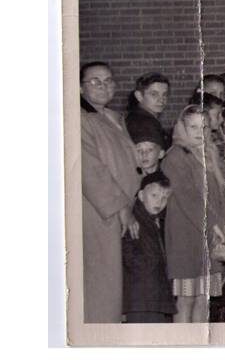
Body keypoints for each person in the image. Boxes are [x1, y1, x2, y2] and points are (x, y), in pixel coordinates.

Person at [80, 61, 141, 323]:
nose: (103, 86)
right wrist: (121, 207)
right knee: (102, 283)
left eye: (108, 80)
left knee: (113, 282)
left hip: (121, 209)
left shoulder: (111, 117)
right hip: (99, 212)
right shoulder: (79, 119)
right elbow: (90, 169)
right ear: (80, 88)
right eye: (95, 81)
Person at [162, 104, 225, 323]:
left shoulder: (207, 154)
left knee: (204, 298)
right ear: (181, 127)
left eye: (203, 127)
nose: (198, 132)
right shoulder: (175, 157)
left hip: (211, 234)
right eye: (192, 126)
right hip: (187, 234)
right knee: (186, 299)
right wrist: (215, 226)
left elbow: (218, 196)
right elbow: (188, 199)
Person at [122, 171, 176, 323]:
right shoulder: (134, 221)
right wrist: (150, 262)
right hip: (141, 297)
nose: (159, 201)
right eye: (154, 195)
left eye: (165, 197)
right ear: (140, 196)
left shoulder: (155, 220)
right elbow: (129, 254)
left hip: (152, 295)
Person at [125, 72, 171, 147]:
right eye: (154, 94)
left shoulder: (138, 117)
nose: (161, 100)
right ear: (139, 96)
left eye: (164, 94)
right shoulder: (144, 124)